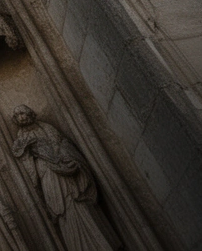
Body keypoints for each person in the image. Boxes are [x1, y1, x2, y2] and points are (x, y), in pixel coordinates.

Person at [10, 106, 120, 251]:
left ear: (30, 114)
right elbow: (25, 160)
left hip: (63, 171)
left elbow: (60, 144)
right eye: (17, 115)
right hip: (47, 174)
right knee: (60, 209)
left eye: (23, 113)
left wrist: (62, 160)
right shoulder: (21, 137)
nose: (21, 117)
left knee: (76, 201)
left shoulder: (46, 128)